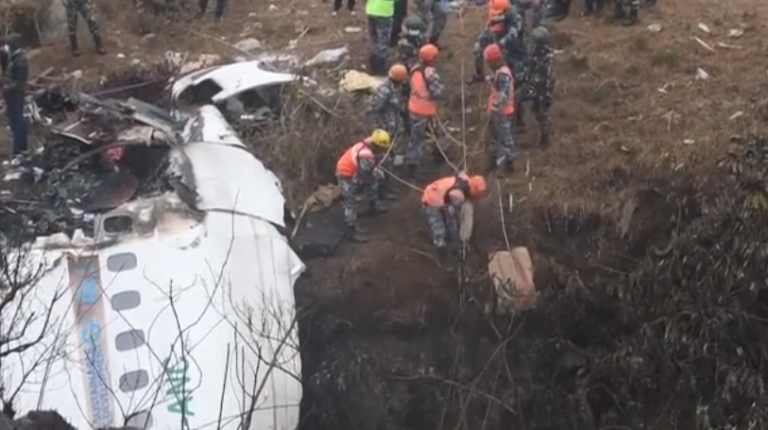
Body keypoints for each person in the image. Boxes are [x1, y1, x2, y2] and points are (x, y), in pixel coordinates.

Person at [336, 130, 391, 242]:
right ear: (376, 145)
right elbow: (365, 174)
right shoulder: (366, 154)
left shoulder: (366, 144)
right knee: (350, 200)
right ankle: (352, 231)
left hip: (355, 170)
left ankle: (373, 206)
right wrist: (376, 173)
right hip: (345, 173)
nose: (382, 151)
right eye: (381, 148)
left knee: (372, 184)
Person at [422, 172, 487, 264]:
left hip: (436, 193)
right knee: (439, 228)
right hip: (433, 198)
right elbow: (452, 216)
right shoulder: (458, 194)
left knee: (448, 226)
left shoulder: (462, 182)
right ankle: (442, 257)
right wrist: (456, 237)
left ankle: (446, 249)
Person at [367, 64, 409, 200]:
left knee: (391, 159)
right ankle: (382, 191)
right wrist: (379, 129)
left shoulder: (395, 88)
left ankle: (388, 187)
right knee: (383, 161)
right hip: (384, 131)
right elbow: (372, 109)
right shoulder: (384, 91)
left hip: (393, 128)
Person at [405, 44, 444, 179]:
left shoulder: (414, 68)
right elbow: (437, 92)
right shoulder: (430, 73)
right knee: (419, 138)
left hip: (413, 107)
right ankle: (412, 167)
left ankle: (437, 154)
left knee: (425, 134)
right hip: (424, 109)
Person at [469, 0, 524, 88]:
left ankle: (506, 79)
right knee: (477, 48)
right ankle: (479, 75)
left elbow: (513, 33)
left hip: (509, 39)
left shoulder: (515, 16)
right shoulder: (495, 4)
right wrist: (493, 22)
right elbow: (497, 18)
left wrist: (501, 42)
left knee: (502, 57)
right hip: (495, 31)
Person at [519, 26, 555, 147]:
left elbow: (544, 79)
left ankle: (546, 138)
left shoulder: (545, 59)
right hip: (536, 87)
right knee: (536, 110)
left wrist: (527, 84)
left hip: (542, 90)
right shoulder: (536, 53)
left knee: (541, 112)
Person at [484, 44, 516, 175]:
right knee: (496, 138)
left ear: (496, 60)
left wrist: (494, 108)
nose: (488, 65)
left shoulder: (503, 75)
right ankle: (498, 162)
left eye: (489, 62)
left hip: (501, 112)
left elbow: (503, 95)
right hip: (498, 111)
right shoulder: (500, 72)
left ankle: (503, 168)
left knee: (503, 139)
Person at [1, 34, 28, 165]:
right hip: (11, 96)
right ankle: (19, 151)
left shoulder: (20, 60)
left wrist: (6, 87)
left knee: (18, 123)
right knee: (14, 123)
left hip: (16, 96)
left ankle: (19, 151)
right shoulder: (13, 58)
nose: (5, 47)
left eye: (7, 45)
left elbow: (19, 81)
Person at [365, 0, 395, 75]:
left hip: (371, 9)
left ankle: (372, 60)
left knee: (373, 36)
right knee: (383, 39)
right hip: (384, 12)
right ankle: (379, 64)